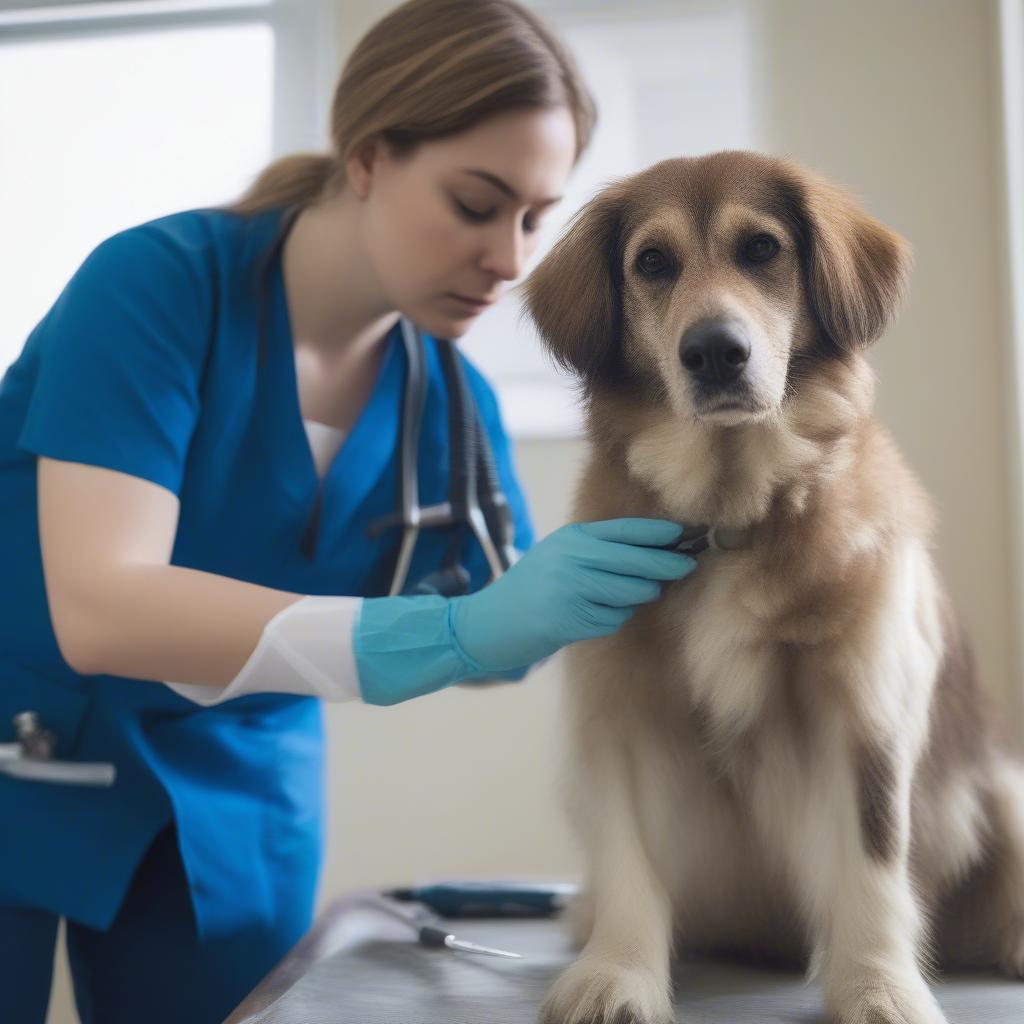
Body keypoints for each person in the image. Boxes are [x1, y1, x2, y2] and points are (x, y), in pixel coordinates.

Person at [0, 1, 697, 1020]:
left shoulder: (451, 407)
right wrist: (455, 632)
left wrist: (549, 611)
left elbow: (507, 629)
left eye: (537, 217)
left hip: (238, 794)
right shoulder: (153, 288)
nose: (509, 260)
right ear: (367, 158)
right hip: (22, 745)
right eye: (475, 203)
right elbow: (103, 605)